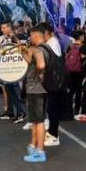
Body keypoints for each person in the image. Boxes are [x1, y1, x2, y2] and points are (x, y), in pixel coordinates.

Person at [22, 25, 48, 163]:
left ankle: (40, 151)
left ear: (36, 36)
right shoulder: (44, 48)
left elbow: (41, 65)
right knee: (36, 120)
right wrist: (24, 53)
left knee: (39, 121)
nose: (29, 38)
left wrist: (39, 73)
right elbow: (32, 63)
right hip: (38, 89)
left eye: (31, 36)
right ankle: (35, 147)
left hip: (36, 89)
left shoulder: (38, 50)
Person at [42, 22, 66, 147]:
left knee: (53, 109)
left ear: (46, 33)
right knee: (51, 108)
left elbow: (50, 63)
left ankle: (54, 135)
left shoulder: (52, 43)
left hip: (54, 82)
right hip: (53, 82)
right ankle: (52, 132)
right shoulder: (52, 42)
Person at [66, 30, 86, 120]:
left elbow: (66, 56)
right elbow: (83, 57)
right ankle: (77, 109)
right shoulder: (82, 46)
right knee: (79, 90)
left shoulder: (70, 45)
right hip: (79, 71)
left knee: (70, 91)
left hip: (70, 71)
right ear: (80, 36)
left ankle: (68, 109)